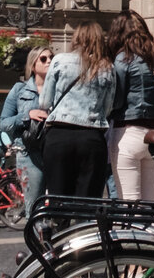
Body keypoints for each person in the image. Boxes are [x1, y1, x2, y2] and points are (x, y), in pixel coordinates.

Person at [31, 22, 115, 202]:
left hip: (59, 135)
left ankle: (60, 228)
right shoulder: (107, 67)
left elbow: (44, 102)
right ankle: (83, 229)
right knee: (88, 201)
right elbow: (108, 108)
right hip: (92, 137)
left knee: (58, 197)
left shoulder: (60, 60)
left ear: (76, 38)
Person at [108, 12, 154, 205]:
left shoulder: (122, 59)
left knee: (129, 202)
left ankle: (133, 235)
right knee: (150, 201)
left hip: (128, 132)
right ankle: (152, 234)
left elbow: (117, 101)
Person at [0, 47, 50, 207]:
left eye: (51, 58)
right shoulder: (19, 90)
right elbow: (4, 123)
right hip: (28, 153)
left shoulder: (59, 90)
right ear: (33, 65)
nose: (49, 61)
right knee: (34, 207)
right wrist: (27, 115)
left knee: (57, 207)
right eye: (43, 59)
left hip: (54, 150)